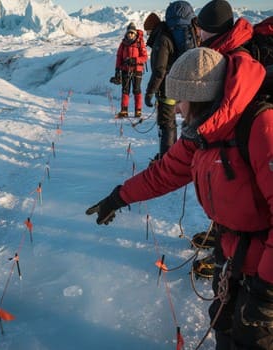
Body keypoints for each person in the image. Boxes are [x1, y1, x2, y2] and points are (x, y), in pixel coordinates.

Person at [86, 47, 273, 349]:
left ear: (200, 100)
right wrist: (119, 197)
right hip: (232, 258)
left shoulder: (261, 129)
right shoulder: (202, 134)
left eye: (179, 100)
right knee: (224, 327)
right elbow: (164, 174)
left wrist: (267, 292)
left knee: (254, 340)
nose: (174, 109)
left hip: (265, 269)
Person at [191, 0, 259, 278]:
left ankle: (230, 256)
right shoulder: (224, 52)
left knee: (239, 198)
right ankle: (222, 241)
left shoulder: (234, 59)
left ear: (211, 31)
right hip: (235, 146)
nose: (199, 37)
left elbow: (229, 111)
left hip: (244, 146)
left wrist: (204, 133)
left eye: (202, 31)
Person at [143, 12, 177, 160]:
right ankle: (171, 155)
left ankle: (166, 159)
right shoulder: (166, 35)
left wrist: (150, 92)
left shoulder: (161, 40)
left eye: (147, 31)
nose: (147, 34)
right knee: (170, 123)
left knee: (166, 124)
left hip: (166, 88)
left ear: (152, 28)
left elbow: (159, 71)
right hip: (173, 85)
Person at [112, 22, 148, 118]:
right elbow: (119, 57)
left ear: (135, 33)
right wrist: (117, 69)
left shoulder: (140, 43)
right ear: (126, 33)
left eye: (132, 33)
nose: (130, 34)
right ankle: (124, 111)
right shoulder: (123, 44)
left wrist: (134, 60)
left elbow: (145, 57)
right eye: (129, 33)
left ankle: (138, 111)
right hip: (125, 70)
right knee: (125, 90)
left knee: (136, 90)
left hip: (137, 70)